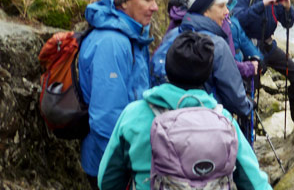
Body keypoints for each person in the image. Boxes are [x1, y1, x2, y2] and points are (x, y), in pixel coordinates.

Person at [98, 31, 272, 190]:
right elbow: (256, 183)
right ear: (207, 75)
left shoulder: (133, 115)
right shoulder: (224, 120)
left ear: (167, 67)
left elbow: (106, 180)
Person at [78, 0, 160, 189]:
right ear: (124, 1)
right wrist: (125, 168)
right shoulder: (112, 43)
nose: (154, 7)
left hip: (126, 156)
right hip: (110, 165)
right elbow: (106, 118)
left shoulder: (133, 36)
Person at [155, 0, 253, 117]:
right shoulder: (217, 45)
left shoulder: (171, 35)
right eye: (221, 6)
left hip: (166, 118)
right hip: (207, 121)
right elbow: (234, 96)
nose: (227, 12)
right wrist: (248, 105)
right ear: (205, 10)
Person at [233, 0, 294, 125]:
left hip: (268, 47)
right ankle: (248, 134)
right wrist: (262, 4)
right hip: (249, 49)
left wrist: (288, 8)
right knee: (250, 93)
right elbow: (237, 20)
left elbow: (288, 24)